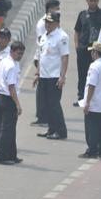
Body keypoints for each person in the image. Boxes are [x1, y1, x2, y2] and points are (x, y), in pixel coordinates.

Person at [35, 11, 70, 140]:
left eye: (50, 22)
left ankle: (61, 131)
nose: (47, 24)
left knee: (54, 104)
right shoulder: (44, 36)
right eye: (46, 22)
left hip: (54, 76)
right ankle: (51, 129)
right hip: (44, 76)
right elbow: (40, 56)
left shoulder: (62, 37)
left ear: (57, 23)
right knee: (46, 104)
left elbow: (65, 57)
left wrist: (62, 76)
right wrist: (38, 72)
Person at [73, 0, 101, 107]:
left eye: (95, 0)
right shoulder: (82, 15)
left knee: (97, 74)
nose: (93, 2)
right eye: (90, 0)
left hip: (97, 50)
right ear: (87, 1)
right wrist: (77, 46)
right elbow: (77, 31)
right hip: (83, 49)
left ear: (98, 0)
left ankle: (94, 97)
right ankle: (81, 97)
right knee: (83, 74)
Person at [80, 42, 101, 159]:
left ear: (95, 53)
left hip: (95, 103)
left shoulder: (94, 66)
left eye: (92, 52)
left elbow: (91, 85)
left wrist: (87, 102)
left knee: (92, 128)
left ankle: (92, 150)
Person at [0, 41, 25, 164]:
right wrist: (18, 104)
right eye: (18, 53)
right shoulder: (11, 66)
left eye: (22, 53)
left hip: (2, 95)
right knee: (7, 129)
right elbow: (11, 87)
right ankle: (1, 156)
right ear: (12, 51)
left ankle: (12, 154)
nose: (20, 56)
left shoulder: (6, 61)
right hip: (8, 98)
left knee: (11, 128)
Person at [32, 0, 60, 126]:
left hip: (51, 62)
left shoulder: (56, 23)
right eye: (55, 8)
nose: (58, 10)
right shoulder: (42, 24)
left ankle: (46, 116)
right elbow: (41, 45)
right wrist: (38, 65)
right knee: (42, 90)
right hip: (43, 59)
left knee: (47, 91)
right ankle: (42, 116)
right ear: (49, 9)